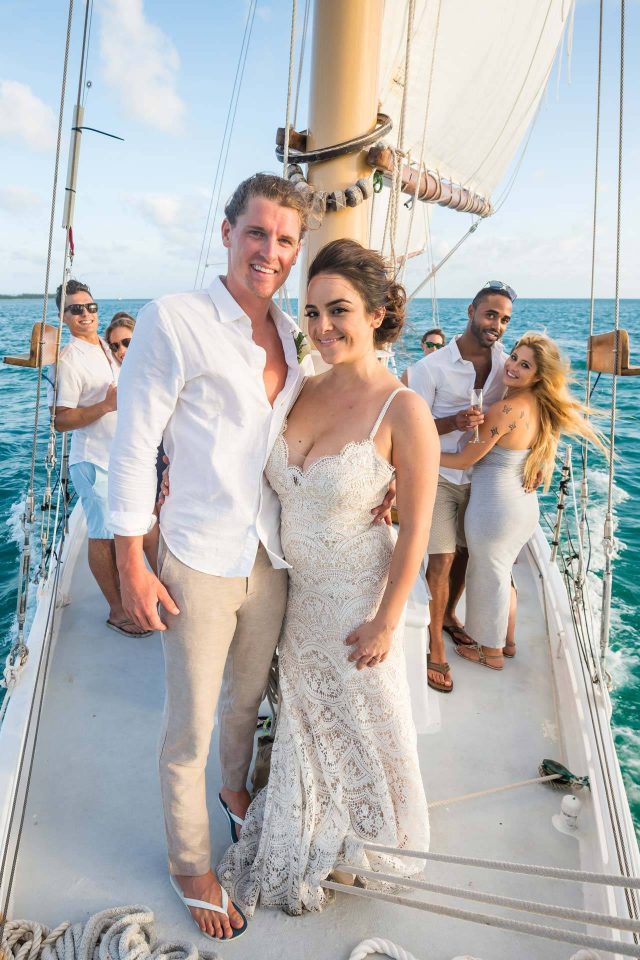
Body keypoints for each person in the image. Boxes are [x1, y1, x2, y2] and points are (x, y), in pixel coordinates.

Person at [107, 175, 394, 941]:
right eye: (257, 233)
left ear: (297, 251)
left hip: (268, 557)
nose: (269, 251)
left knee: (244, 704)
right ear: (229, 232)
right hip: (198, 556)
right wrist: (131, 560)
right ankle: (190, 863)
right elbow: (135, 443)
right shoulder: (177, 319)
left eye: (285, 240)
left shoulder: (293, 340)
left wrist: (380, 478)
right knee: (190, 726)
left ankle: (236, 795)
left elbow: (320, 431)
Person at [217, 238, 438, 917]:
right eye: (310, 313)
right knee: (305, 724)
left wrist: (386, 617)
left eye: (338, 310)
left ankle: (368, 838)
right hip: (294, 593)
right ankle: (312, 820)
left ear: (377, 313)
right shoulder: (299, 388)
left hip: (354, 599)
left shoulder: (403, 409)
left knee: (363, 725)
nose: (321, 328)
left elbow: (418, 531)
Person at [440, 331, 606, 669]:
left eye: (524, 364)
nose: (513, 366)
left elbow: (462, 460)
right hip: (521, 507)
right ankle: (507, 641)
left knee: (488, 576)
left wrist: (420, 451)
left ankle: (491, 652)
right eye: (514, 357)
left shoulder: (507, 409)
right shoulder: (541, 407)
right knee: (501, 574)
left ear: (538, 375)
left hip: (494, 509)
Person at [408, 281, 516, 693]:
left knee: (469, 557)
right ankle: (434, 644)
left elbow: (527, 409)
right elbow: (411, 428)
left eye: (505, 319)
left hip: (483, 478)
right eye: (491, 315)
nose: (497, 325)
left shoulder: (507, 364)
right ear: (472, 310)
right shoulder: (429, 368)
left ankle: (450, 616)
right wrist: (452, 423)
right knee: (441, 559)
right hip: (438, 476)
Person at [49, 280, 151, 639]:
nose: (85, 314)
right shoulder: (70, 359)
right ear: (63, 316)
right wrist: (106, 405)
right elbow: (61, 419)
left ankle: (134, 594)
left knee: (128, 529)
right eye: (76, 309)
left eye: (90, 306)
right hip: (93, 463)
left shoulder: (106, 348)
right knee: (102, 535)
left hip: (120, 459)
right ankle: (117, 610)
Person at [104, 311, 160, 573]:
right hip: (143, 457)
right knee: (150, 529)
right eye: (114, 346)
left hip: (162, 453)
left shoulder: (157, 369)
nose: (120, 351)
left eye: (126, 342)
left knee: (160, 525)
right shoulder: (122, 378)